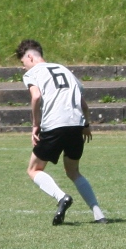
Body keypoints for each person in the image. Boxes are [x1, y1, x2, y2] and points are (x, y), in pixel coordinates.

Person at [17, 39, 106, 225]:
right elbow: (83, 104)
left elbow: (36, 96)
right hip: (76, 125)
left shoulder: (32, 73)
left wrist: (35, 125)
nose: (23, 67)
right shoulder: (64, 69)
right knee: (73, 171)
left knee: (33, 169)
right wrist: (86, 124)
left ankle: (62, 197)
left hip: (54, 124)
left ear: (30, 57)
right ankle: (99, 214)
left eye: (23, 62)